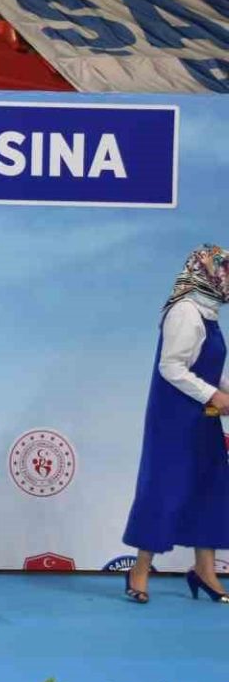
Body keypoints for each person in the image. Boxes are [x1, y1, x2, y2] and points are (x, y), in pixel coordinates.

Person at [121, 244, 229, 604]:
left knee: (210, 488)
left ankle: (205, 571)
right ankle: (139, 569)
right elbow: (171, 367)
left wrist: (223, 390)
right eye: (225, 271)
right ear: (207, 272)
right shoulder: (185, 312)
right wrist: (213, 395)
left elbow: (208, 367)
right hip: (174, 418)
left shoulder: (208, 313)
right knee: (164, 489)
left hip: (201, 417)